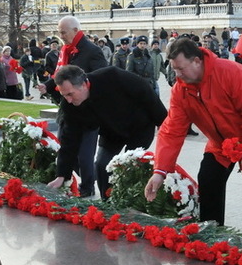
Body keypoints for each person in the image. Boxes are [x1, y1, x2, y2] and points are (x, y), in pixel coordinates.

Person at [144, 37, 242, 235]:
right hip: (220, 144)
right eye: (174, 69)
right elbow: (172, 130)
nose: (177, 74)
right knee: (208, 179)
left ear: (196, 61)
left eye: (180, 68)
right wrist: (160, 171)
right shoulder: (181, 89)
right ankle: (211, 236)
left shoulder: (230, 72)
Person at [47, 65, 167, 197]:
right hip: (111, 134)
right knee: (102, 165)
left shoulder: (112, 76)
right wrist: (62, 175)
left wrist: (163, 122)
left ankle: (130, 201)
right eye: (64, 95)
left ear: (84, 84)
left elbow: (145, 92)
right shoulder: (69, 106)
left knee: (129, 166)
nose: (68, 100)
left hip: (139, 128)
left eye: (70, 94)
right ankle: (107, 202)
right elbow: (69, 141)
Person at [41, 15, 108, 198]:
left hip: (87, 112)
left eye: (63, 32)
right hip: (68, 108)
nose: (60, 35)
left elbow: (101, 77)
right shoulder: (66, 50)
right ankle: (84, 180)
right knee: (67, 147)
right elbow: (60, 76)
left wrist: (81, 89)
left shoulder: (92, 51)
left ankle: (87, 189)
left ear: (76, 31)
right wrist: (47, 86)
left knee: (85, 154)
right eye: (59, 32)